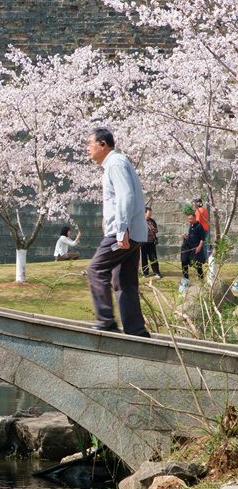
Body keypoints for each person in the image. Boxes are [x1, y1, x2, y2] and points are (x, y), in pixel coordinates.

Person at [84, 128, 150, 337]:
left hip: (121, 233)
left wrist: (121, 231)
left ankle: (105, 320)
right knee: (124, 281)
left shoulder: (115, 163)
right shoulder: (116, 164)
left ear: (102, 144)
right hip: (132, 232)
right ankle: (136, 331)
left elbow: (125, 197)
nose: (87, 148)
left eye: (90, 143)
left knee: (96, 269)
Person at [180, 209, 206, 288]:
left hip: (196, 248)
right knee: (184, 261)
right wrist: (186, 236)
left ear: (195, 218)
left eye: (191, 219)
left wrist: (199, 247)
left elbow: (202, 238)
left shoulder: (199, 226)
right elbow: (191, 234)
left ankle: (201, 281)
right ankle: (185, 279)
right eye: (188, 219)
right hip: (188, 247)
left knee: (198, 265)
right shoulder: (190, 225)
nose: (189, 220)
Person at [141, 206, 162, 279]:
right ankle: (145, 273)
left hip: (151, 242)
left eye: (150, 214)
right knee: (144, 259)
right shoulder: (140, 221)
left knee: (153, 258)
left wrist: (154, 229)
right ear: (145, 213)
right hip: (143, 242)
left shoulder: (152, 221)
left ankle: (156, 272)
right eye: (149, 213)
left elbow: (156, 230)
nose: (150, 215)